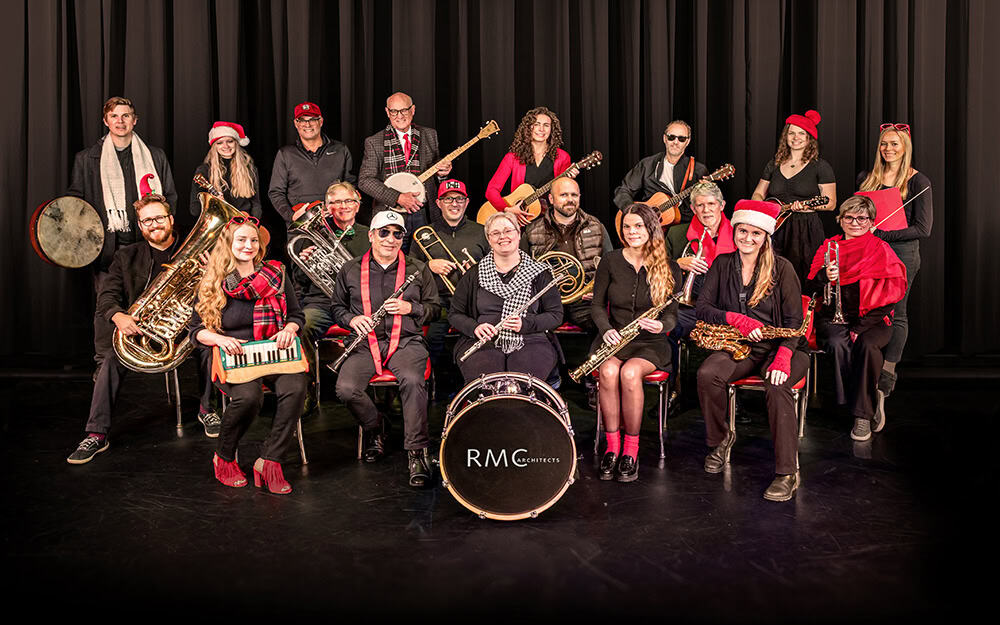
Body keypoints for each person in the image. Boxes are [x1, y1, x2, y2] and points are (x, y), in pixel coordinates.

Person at [66, 193, 217, 463]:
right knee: (111, 359)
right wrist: (118, 317)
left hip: (186, 328)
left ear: (170, 219)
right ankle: (96, 434)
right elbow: (107, 297)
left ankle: (208, 409)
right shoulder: (126, 256)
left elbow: (223, 291)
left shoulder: (196, 252)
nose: (154, 224)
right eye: (147, 221)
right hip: (140, 331)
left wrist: (213, 274)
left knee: (209, 345)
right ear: (140, 225)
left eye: (159, 218)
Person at [695, 200, 809, 502]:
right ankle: (719, 441)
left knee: (777, 383)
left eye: (755, 234)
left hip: (784, 346)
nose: (747, 238)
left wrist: (783, 357)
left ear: (766, 237)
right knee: (708, 373)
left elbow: (796, 324)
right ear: (734, 231)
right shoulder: (721, 264)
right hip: (740, 345)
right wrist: (735, 318)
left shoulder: (783, 269)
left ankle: (787, 473)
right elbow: (702, 308)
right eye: (742, 231)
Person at [190, 216, 307, 495]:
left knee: (296, 387)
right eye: (241, 239)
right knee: (249, 397)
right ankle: (225, 457)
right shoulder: (214, 280)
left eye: (253, 240)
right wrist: (220, 339)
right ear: (229, 243)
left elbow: (296, 315)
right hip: (235, 354)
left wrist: (290, 329)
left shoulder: (276, 273)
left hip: (275, 351)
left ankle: (270, 461)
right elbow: (196, 331)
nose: (249, 245)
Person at [331, 211, 441, 488]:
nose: (391, 239)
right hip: (365, 345)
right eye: (384, 232)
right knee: (345, 389)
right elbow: (336, 308)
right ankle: (375, 425)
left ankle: (417, 452)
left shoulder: (418, 268)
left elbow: (436, 310)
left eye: (397, 234)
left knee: (414, 381)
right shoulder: (350, 269)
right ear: (371, 235)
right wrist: (351, 319)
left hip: (406, 341)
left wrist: (411, 308)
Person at [67, 96, 178, 369]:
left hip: (148, 242)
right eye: (114, 116)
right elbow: (76, 205)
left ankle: (154, 357)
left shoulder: (155, 156)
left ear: (135, 120)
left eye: (126, 115)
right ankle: (105, 365)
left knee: (156, 302)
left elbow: (170, 197)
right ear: (106, 121)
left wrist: (160, 233)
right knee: (107, 306)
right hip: (108, 247)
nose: (120, 121)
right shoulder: (86, 159)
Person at [591, 203, 680, 482]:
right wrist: (606, 330)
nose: (632, 232)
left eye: (638, 226)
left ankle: (631, 449)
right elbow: (596, 306)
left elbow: (672, 315)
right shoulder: (610, 261)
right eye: (627, 227)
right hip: (615, 337)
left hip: (650, 342)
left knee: (630, 373)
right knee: (608, 371)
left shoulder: (668, 265)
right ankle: (612, 446)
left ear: (650, 228)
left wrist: (662, 325)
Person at [805, 196, 907, 441]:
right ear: (840, 220)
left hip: (873, 319)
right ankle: (868, 396)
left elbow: (892, 298)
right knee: (838, 344)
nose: (855, 222)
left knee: (866, 345)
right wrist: (824, 276)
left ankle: (862, 415)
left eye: (862, 218)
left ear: (871, 222)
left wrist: (860, 327)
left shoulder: (880, 248)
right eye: (849, 217)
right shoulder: (829, 247)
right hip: (834, 316)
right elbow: (812, 287)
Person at [857, 123, 932, 398]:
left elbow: (923, 229)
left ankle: (886, 378)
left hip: (902, 256)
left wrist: (884, 234)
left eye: (894, 144)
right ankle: (866, 369)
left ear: (905, 148)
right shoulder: (867, 178)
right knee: (868, 311)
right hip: (870, 252)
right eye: (884, 144)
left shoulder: (917, 182)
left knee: (897, 314)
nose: (888, 149)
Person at [449, 212, 562, 382]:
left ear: (518, 234)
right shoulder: (474, 274)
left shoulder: (540, 273)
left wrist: (525, 324)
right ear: (488, 239)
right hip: (483, 341)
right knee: (487, 382)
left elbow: (555, 315)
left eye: (508, 231)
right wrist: (475, 327)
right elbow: (455, 314)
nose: (503, 237)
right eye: (495, 233)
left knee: (523, 382)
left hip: (530, 339)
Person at [416, 180, 489, 391]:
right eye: (448, 199)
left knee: (481, 336)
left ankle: (474, 385)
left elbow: (497, 266)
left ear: (466, 203)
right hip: (438, 303)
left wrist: (477, 271)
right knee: (432, 338)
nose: (454, 203)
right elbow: (409, 268)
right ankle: (439, 387)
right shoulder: (425, 233)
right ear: (438, 203)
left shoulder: (482, 231)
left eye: (459, 199)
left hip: (474, 303)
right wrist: (429, 265)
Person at [751, 109, 837, 285]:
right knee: (772, 275)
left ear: (809, 138)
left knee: (804, 278)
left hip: (806, 230)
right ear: (786, 136)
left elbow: (830, 203)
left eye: (801, 133)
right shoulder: (774, 164)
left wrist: (808, 207)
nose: (795, 137)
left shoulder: (820, 167)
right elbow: (758, 193)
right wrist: (763, 209)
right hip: (775, 226)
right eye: (791, 133)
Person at [358, 92, 451, 247]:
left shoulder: (429, 135)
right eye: (394, 111)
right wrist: (397, 197)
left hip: (424, 212)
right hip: (390, 214)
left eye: (404, 110)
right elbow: (365, 181)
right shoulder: (374, 142)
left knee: (426, 259)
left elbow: (436, 175)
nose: (399, 116)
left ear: (412, 110)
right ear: (387, 112)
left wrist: (443, 174)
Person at [522, 177, 612, 331]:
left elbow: (611, 265)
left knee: (606, 331)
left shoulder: (596, 226)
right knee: (532, 333)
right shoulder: (532, 230)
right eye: (563, 195)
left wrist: (599, 292)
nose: (570, 200)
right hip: (548, 303)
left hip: (585, 302)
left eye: (574, 195)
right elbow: (522, 270)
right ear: (551, 199)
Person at [666, 181, 736, 372]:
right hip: (689, 309)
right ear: (692, 208)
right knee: (669, 324)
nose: (706, 210)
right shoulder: (676, 234)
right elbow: (657, 271)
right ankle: (673, 388)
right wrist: (677, 264)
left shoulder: (740, 234)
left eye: (711, 204)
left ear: (722, 206)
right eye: (700, 205)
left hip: (726, 308)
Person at [613, 120, 709, 252]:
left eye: (681, 139)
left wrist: (706, 191)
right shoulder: (647, 165)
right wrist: (634, 213)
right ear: (665, 138)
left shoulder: (698, 170)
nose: (675, 142)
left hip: (682, 230)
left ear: (687, 141)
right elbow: (623, 190)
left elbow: (707, 206)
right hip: (648, 231)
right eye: (671, 137)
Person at [296, 181, 372, 347]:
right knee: (304, 325)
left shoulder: (370, 235)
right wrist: (305, 264)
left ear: (357, 206)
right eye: (336, 202)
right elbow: (299, 280)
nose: (343, 206)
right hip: (322, 303)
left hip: (357, 304)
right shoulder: (312, 236)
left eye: (348, 201)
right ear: (327, 208)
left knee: (373, 328)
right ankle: (308, 372)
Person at [268, 101, 356, 226]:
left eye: (312, 119)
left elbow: (351, 186)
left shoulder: (340, 150)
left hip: (336, 222)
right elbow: (276, 192)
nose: (307, 124)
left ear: (320, 121)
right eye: (302, 120)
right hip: (302, 225)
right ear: (296, 124)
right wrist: (292, 216)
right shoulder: (285, 154)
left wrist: (342, 210)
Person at [485, 106, 572, 226]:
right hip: (519, 223)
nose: (541, 129)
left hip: (551, 221)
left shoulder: (562, 157)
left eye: (546, 125)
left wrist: (569, 182)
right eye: (536, 124)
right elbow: (491, 191)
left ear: (552, 130)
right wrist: (508, 210)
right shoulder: (512, 157)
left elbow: (563, 194)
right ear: (528, 128)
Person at [189, 121, 261, 218]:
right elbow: (194, 210)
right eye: (219, 143)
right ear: (214, 146)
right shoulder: (203, 171)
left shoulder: (250, 169)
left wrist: (253, 223)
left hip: (244, 222)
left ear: (236, 143)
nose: (226, 146)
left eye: (230, 141)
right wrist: (212, 203)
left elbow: (256, 204)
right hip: (218, 224)